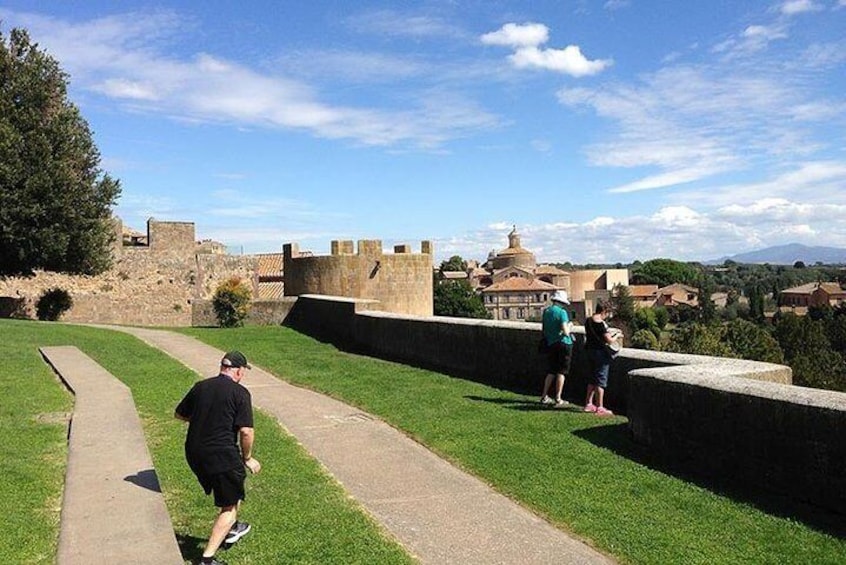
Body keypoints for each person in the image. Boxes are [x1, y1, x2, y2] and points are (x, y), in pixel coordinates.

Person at [175, 350, 262, 565]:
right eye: (243, 371)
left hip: (194, 453)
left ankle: (232, 528)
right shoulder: (240, 393)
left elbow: (179, 414)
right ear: (239, 371)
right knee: (230, 505)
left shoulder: (201, 387)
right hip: (220, 454)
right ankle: (207, 560)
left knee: (233, 483)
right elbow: (246, 432)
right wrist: (248, 457)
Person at [540, 290, 574, 408]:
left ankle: (544, 396)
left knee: (551, 371)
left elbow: (544, 329)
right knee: (561, 372)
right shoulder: (562, 312)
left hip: (551, 343)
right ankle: (558, 398)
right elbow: (565, 332)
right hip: (563, 344)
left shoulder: (546, 311)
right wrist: (570, 326)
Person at [584, 301, 617, 416]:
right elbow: (609, 340)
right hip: (600, 353)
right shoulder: (601, 323)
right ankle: (600, 407)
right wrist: (617, 335)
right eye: (608, 313)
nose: (607, 316)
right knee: (600, 381)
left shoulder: (588, 320)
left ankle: (588, 404)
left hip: (589, 351)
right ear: (604, 311)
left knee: (592, 378)